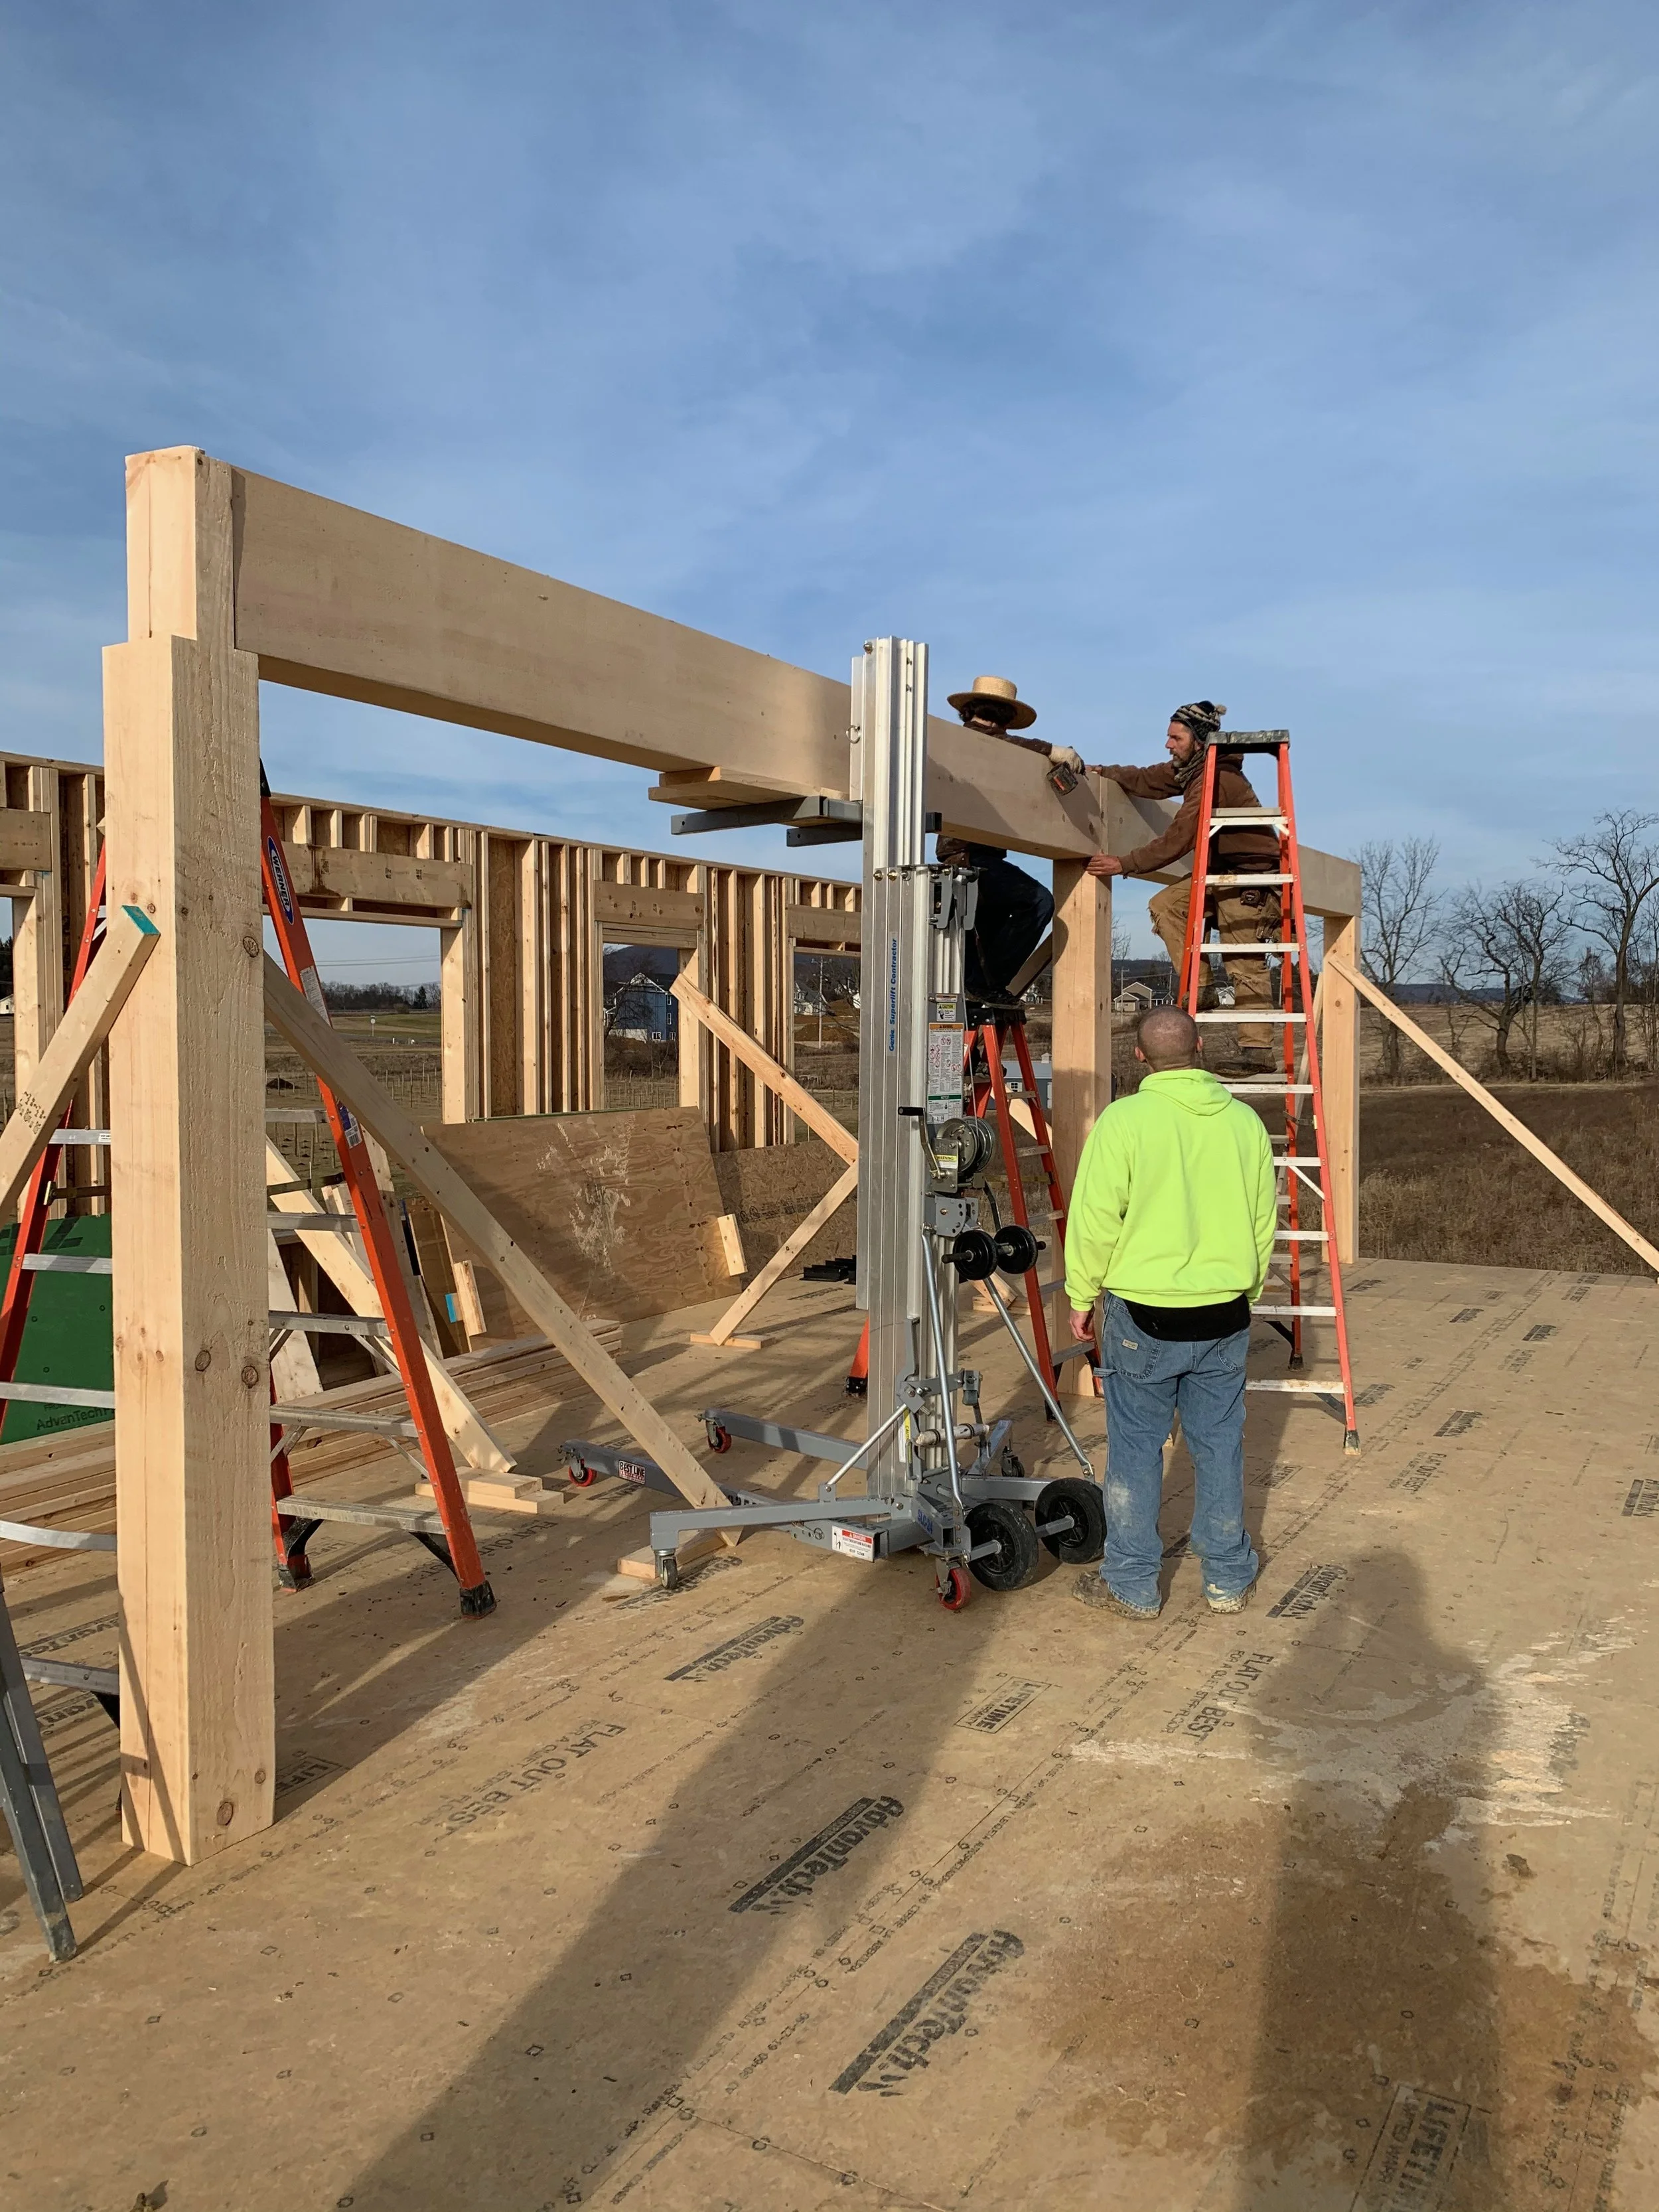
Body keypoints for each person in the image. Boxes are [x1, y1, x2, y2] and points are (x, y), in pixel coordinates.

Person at [1064, 1005, 1276, 1619]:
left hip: (1145, 1314)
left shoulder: (1124, 1121)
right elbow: (1264, 1221)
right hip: (1224, 1311)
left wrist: (1083, 1295)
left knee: (1134, 1447)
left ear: (1139, 1057)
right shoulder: (1244, 1124)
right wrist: (1248, 1289)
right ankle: (1228, 1578)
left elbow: (1096, 1217)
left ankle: (1131, 1583)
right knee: (1220, 1445)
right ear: (1201, 1048)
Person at [1084, 701, 1281, 1072]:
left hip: (1251, 877)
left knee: (1243, 963)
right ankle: (1201, 985)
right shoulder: (1193, 772)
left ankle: (1258, 1051)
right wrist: (1104, 773)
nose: (1167, 744)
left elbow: (1180, 836)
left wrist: (1125, 863)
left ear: (1200, 740)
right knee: (1167, 904)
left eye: (1176, 737)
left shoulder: (1217, 779)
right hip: (1217, 874)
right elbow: (1149, 779)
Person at [938, 676, 1080, 1010]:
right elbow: (989, 742)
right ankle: (986, 984)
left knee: (991, 929)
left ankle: (980, 983)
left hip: (981, 856)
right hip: (967, 856)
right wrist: (1050, 750)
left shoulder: (1002, 752)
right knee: (1038, 902)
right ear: (1004, 716)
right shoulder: (967, 741)